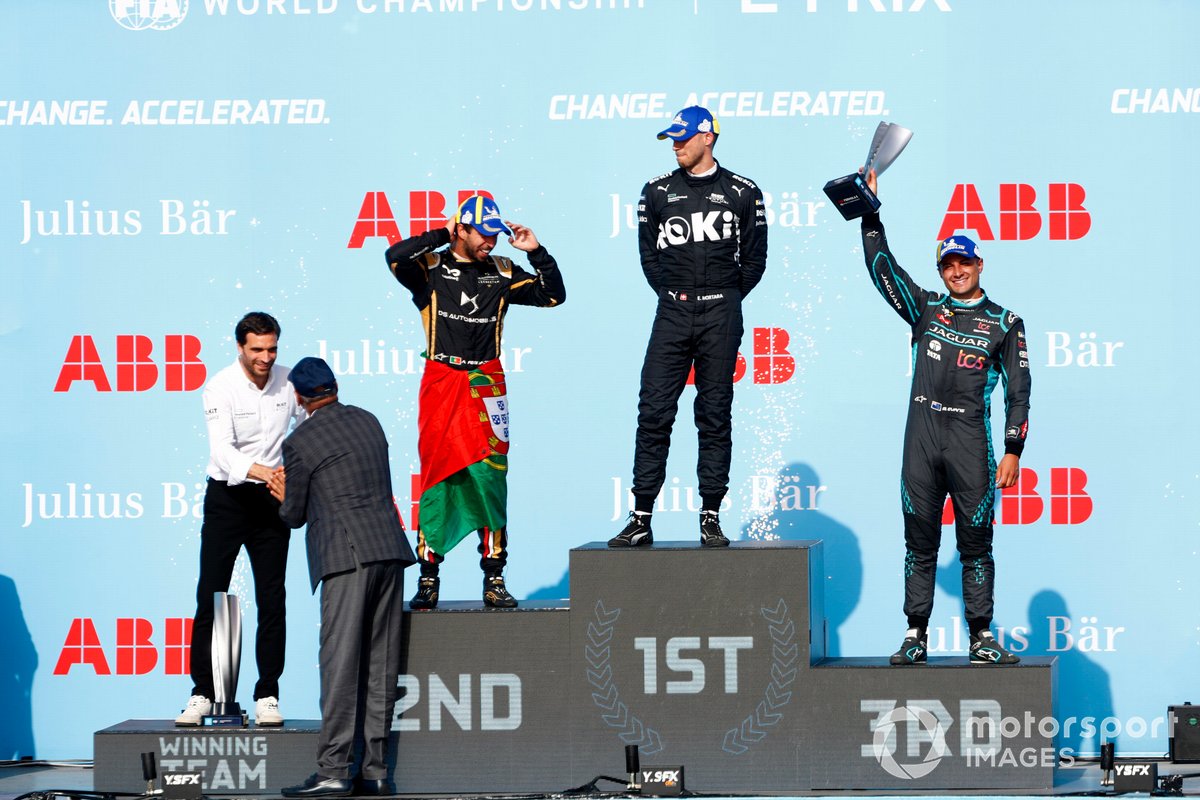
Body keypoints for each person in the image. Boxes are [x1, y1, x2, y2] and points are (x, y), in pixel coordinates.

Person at [858, 169, 1030, 666]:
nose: (957, 271)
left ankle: (981, 637)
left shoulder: (1005, 323)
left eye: (964, 262)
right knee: (920, 541)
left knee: (976, 542)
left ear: (980, 263)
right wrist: (869, 211)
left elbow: (1020, 390)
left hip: (969, 441)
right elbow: (882, 269)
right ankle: (915, 633)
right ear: (941, 272)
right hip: (921, 437)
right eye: (948, 265)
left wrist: (1014, 448)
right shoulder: (926, 309)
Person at [384, 195, 565, 610]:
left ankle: (495, 577)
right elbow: (394, 256)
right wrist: (438, 235)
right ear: (460, 230)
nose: (491, 242)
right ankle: (428, 577)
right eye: (482, 234)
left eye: (495, 234)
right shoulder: (429, 270)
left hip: (486, 383)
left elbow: (553, 296)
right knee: (437, 480)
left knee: (490, 480)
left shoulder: (501, 272)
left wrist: (537, 253)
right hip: (442, 381)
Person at [608, 105, 768, 549]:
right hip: (672, 311)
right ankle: (641, 517)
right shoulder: (656, 191)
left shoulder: (743, 191)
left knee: (714, 414)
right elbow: (649, 259)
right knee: (654, 412)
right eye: (672, 138)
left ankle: (711, 515)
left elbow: (755, 262)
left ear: (708, 138)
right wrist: (676, 294)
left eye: (682, 137)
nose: (675, 144)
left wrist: (723, 297)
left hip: (722, 312)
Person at [271, 357, 415, 798]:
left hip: (346, 558)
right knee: (381, 667)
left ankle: (333, 770)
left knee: (340, 668)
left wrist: (281, 492)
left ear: (299, 397)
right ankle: (374, 772)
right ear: (334, 387)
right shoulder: (368, 420)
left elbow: (293, 515)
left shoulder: (300, 441)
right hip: (388, 550)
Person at [176, 312, 302, 727]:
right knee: (210, 595)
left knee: (273, 598)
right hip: (228, 498)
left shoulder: (290, 381)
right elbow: (222, 451)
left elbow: (306, 431)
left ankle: (268, 692)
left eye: (272, 349)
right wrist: (264, 471)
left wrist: (290, 474)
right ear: (240, 348)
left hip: (272, 501)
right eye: (257, 350)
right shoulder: (219, 386)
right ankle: (201, 693)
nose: (265, 357)